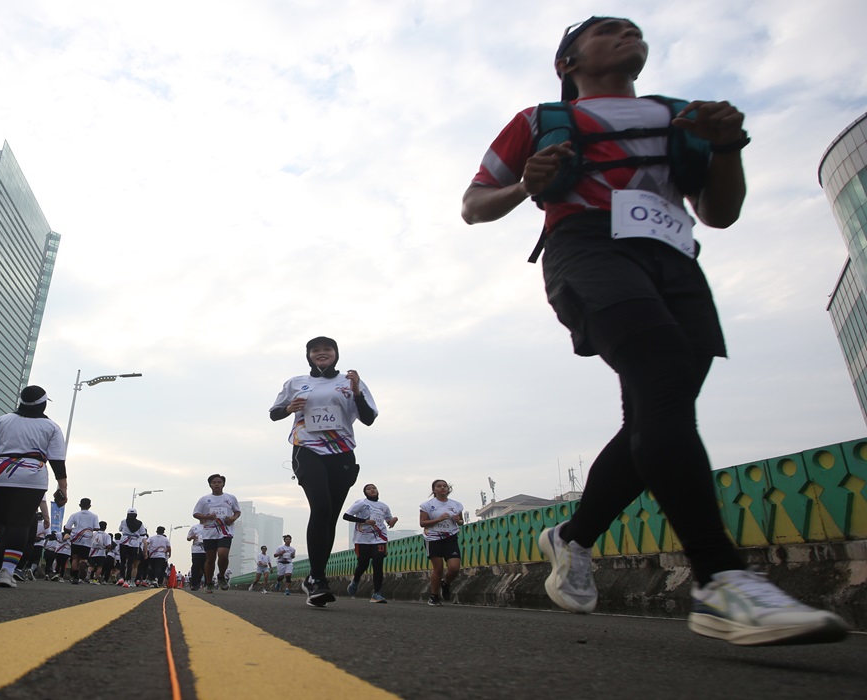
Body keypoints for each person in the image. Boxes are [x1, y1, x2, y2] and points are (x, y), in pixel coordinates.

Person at [460, 16, 848, 645]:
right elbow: (474, 205)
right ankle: (720, 581)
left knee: (657, 411)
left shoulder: (681, 117)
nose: (627, 34)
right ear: (567, 62)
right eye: (607, 30)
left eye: (634, 29)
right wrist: (526, 185)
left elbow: (719, 213)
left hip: (675, 259)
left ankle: (573, 536)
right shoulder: (541, 120)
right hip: (588, 248)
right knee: (662, 374)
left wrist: (727, 146)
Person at [269, 336, 378, 608]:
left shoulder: (350, 381)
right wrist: (289, 408)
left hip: (341, 452)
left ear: (335, 354)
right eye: (315, 350)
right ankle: (318, 579)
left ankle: (314, 578)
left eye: (327, 349)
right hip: (307, 449)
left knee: (330, 517)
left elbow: (368, 418)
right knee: (320, 507)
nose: (321, 353)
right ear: (308, 355)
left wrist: (356, 391)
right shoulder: (295, 382)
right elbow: (274, 413)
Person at [0, 385, 68, 589]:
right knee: (20, 525)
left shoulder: (3, 420)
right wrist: (63, 487)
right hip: (32, 477)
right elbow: (57, 461)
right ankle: (6, 572)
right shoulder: (51, 427)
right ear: (43, 404)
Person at [343, 483, 397, 603]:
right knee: (363, 564)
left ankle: (377, 593)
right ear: (365, 493)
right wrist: (365, 521)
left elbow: (388, 521)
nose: (372, 490)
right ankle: (355, 580)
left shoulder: (384, 506)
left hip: (379, 538)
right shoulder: (361, 503)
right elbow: (346, 516)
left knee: (378, 564)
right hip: (362, 539)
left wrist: (393, 520)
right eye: (369, 489)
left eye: (374, 488)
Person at [192, 474, 240, 593]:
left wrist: (232, 518)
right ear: (210, 485)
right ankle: (209, 583)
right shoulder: (204, 499)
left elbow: (237, 512)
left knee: (223, 555)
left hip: (225, 531)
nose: (217, 484)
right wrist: (207, 517)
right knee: (210, 559)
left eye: (219, 482)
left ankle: (221, 576)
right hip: (210, 532)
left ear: (223, 484)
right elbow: (196, 513)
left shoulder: (230, 498)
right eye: (214, 482)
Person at [419, 480, 463, 606]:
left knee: (454, 568)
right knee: (438, 569)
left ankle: (446, 584)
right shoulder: (427, 505)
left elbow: (461, 522)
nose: (442, 488)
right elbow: (422, 523)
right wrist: (439, 519)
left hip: (450, 537)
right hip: (433, 538)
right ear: (434, 490)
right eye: (439, 486)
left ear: (448, 489)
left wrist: (458, 520)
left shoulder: (456, 505)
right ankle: (434, 596)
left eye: (445, 486)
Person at [63, 498, 100, 584]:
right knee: (84, 559)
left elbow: (67, 527)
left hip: (76, 538)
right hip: (87, 539)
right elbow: (97, 528)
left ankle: (75, 577)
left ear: (80, 505)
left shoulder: (74, 515)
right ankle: (83, 565)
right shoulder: (94, 516)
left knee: (75, 558)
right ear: (90, 506)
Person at [118, 508, 148, 587]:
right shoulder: (140, 523)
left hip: (124, 541)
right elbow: (142, 533)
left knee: (123, 561)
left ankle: (121, 577)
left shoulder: (124, 521)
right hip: (134, 543)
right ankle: (128, 580)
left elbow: (120, 529)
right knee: (130, 562)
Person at [186, 522, 206, 591]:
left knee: (205, 567)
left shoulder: (211, 526)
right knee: (195, 566)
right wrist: (192, 537)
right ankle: (194, 584)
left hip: (207, 550)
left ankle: (207, 584)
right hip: (196, 550)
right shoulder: (194, 527)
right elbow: (188, 538)